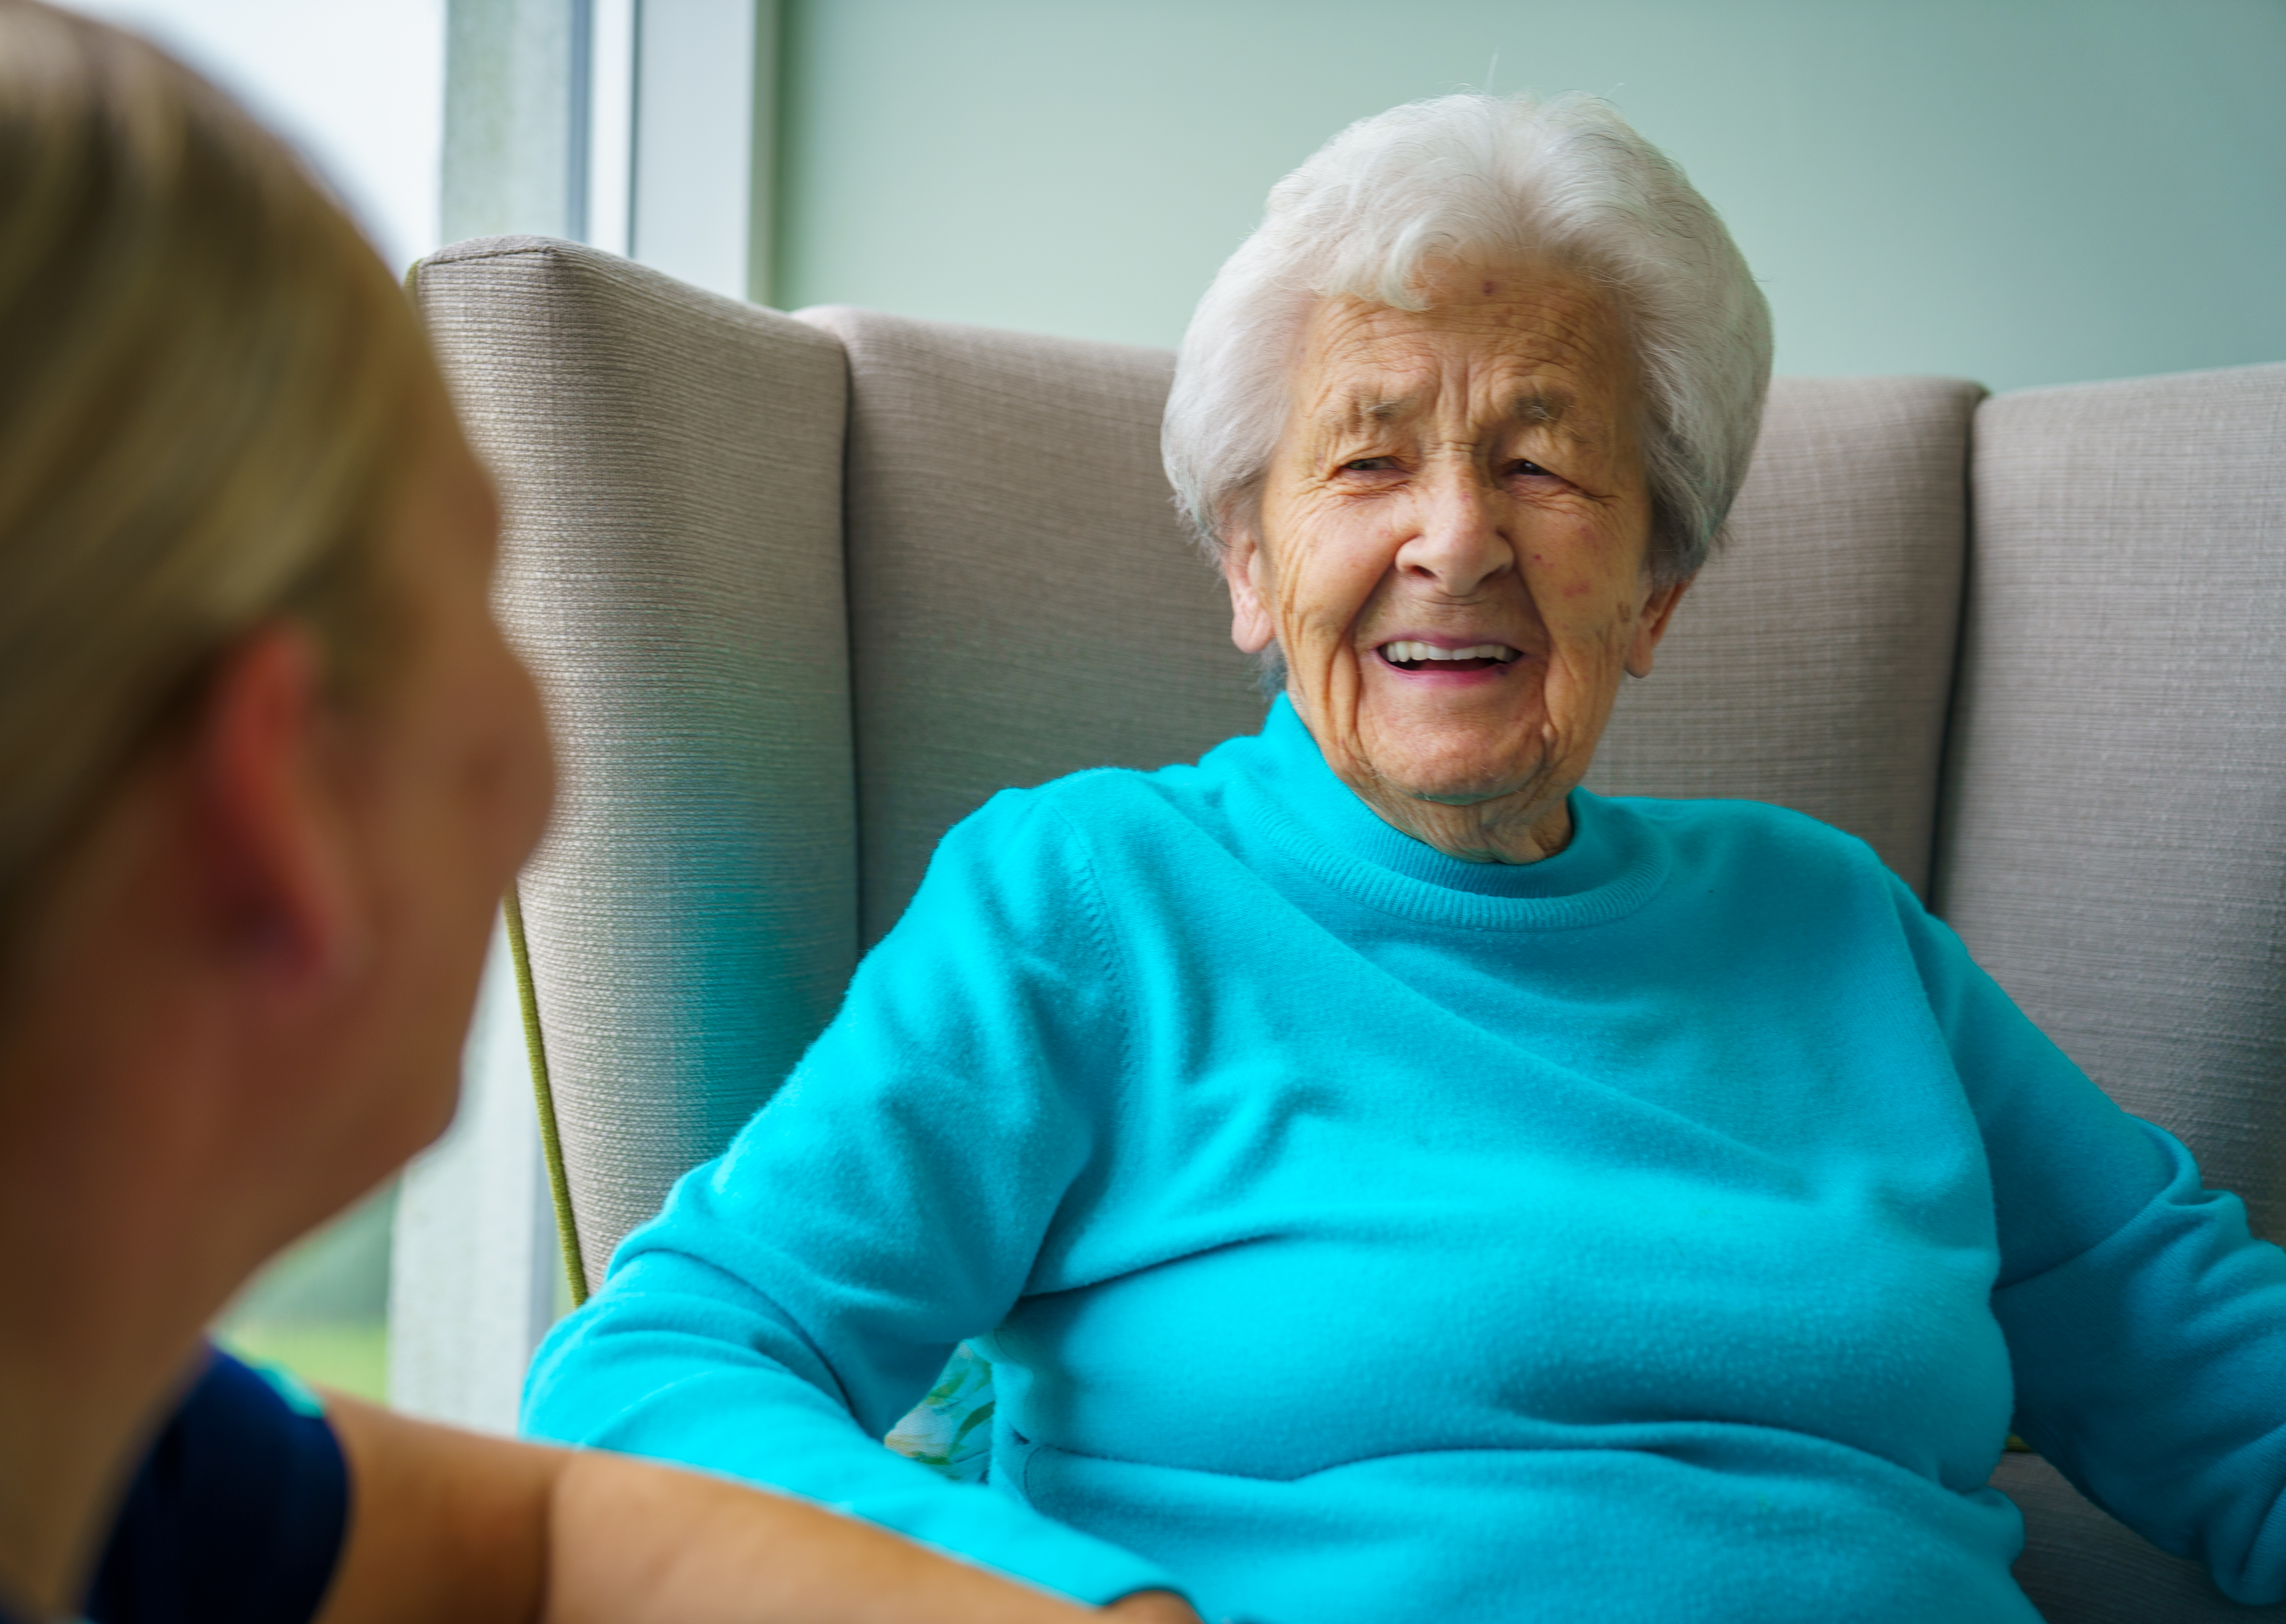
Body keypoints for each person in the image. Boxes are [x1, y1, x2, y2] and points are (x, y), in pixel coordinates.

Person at [520, 91, 2286, 1624]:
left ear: (1658, 584)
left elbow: (2219, 1372)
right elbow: (653, 1373)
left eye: (1541, 460)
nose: (1455, 537)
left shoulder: (1834, 928)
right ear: (1247, 560)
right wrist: (1060, 1603)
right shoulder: (1090, 905)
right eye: (1367, 457)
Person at [0, 3, 1136, 1620]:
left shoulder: (52, 1416)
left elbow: (536, 1541)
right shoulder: (1085, 893)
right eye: (486, 588)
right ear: (290, 792)